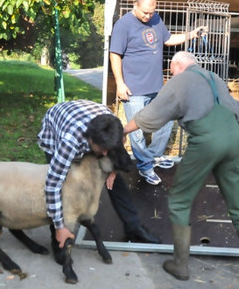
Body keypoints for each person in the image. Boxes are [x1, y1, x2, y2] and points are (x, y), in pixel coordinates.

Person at [123, 51, 239, 287]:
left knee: (179, 199)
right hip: (232, 139)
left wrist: (123, 131)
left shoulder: (181, 80)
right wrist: (228, 138)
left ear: (176, 65)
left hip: (206, 141)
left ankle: (180, 265)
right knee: (238, 203)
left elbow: (152, 114)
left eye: (170, 70)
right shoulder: (214, 77)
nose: (170, 74)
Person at [37, 99, 161, 258]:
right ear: (90, 140)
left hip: (88, 119)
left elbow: (117, 150)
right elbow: (53, 185)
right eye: (102, 149)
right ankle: (58, 237)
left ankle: (134, 227)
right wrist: (60, 226)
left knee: (115, 182)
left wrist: (113, 171)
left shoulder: (113, 128)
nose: (105, 154)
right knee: (65, 187)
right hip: (55, 125)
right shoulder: (69, 142)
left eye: (108, 149)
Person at [110, 0, 207, 185]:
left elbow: (168, 39)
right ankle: (145, 166)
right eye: (145, 12)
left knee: (167, 119)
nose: (148, 16)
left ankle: (153, 155)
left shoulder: (155, 20)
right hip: (134, 89)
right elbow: (115, 54)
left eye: (151, 12)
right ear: (135, 6)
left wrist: (192, 34)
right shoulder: (123, 24)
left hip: (156, 86)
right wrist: (120, 83)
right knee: (136, 129)